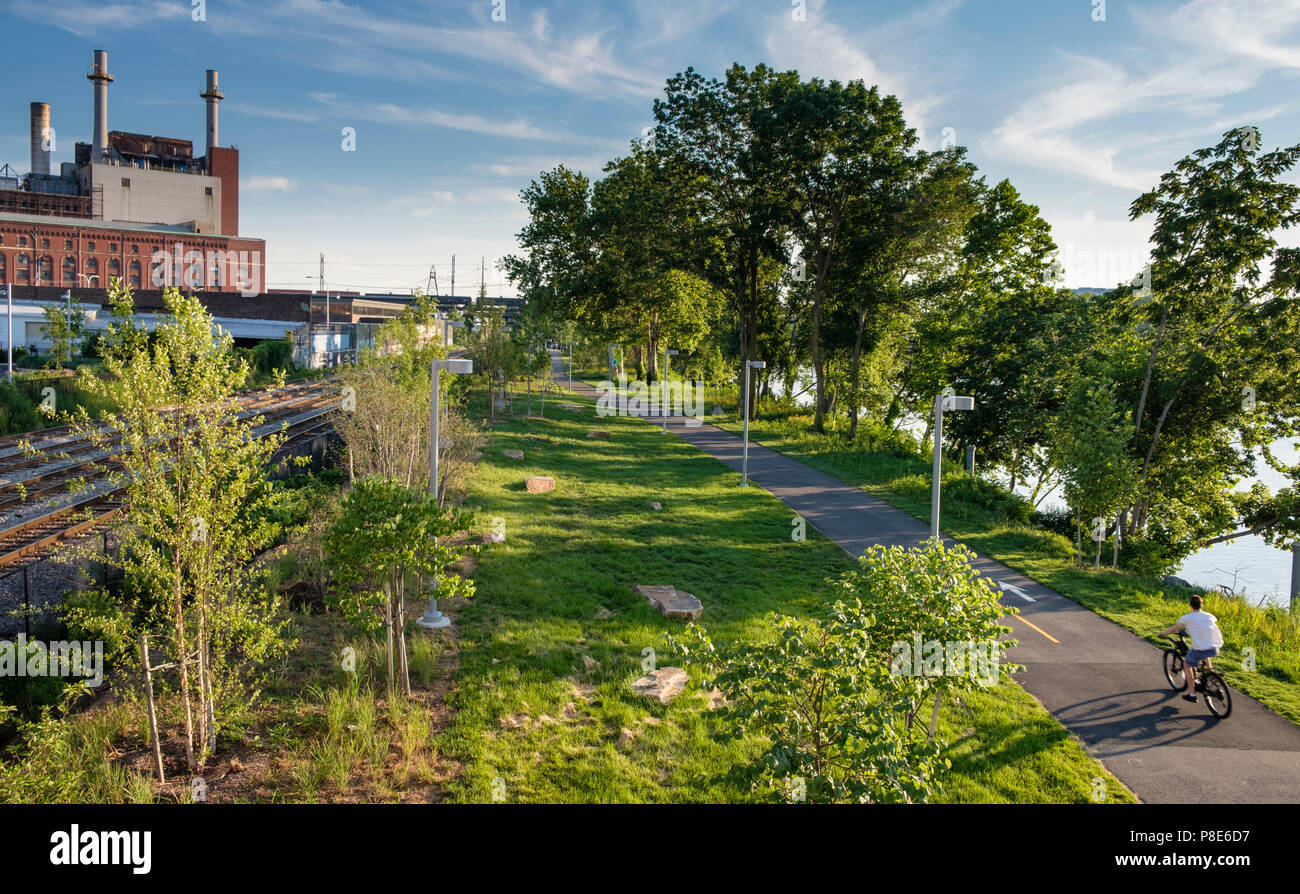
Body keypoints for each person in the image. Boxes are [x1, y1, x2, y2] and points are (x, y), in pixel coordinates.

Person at [1161, 594, 1225, 702]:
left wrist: (1164, 634)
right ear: (1201, 605)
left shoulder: (1187, 617)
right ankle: (1210, 673)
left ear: (1190, 605)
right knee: (1205, 652)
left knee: (1187, 665)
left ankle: (1192, 694)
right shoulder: (1209, 616)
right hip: (1214, 647)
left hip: (1201, 649)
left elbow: (1174, 629)